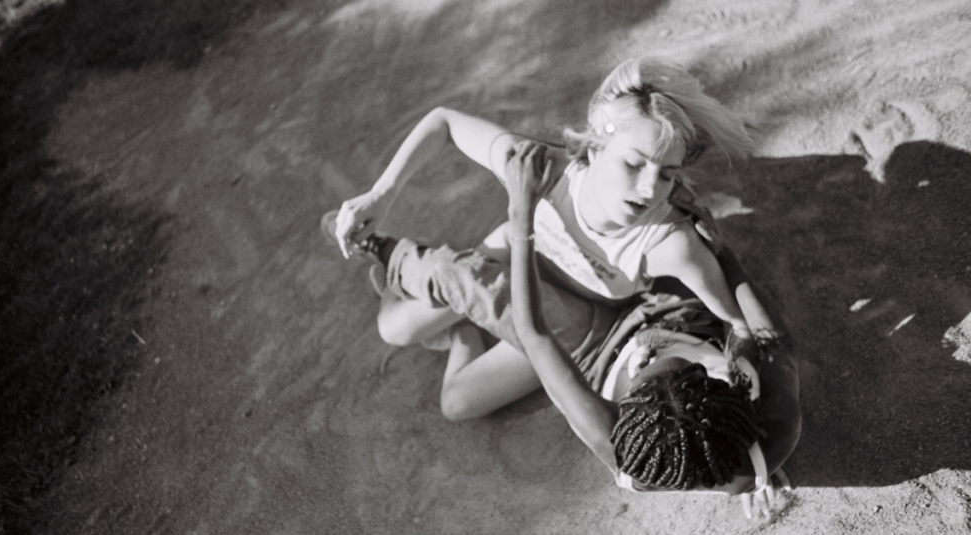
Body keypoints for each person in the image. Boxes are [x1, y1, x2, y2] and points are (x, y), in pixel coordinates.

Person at [330, 56, 773, 417]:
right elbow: (443, 122)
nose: (648, 189)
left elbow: (740, 325)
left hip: (565, 321)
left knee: (457, 403)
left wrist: (746, 422)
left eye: (666, 175)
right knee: (394, 329)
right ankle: (403, 264)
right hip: (512, 252)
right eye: (634, 163)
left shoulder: (669, 244)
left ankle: (460, 324)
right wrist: (381, 194)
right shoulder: (546, 170)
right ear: (596, 146)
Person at [500, 140, 800, 516]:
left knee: (470, 287)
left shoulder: (612, 440)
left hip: (598, 352)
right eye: (690, 369)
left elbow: (534, 332)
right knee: (687, 251)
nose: (652, 353)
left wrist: (520, 213)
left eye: (643, 372)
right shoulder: (774, 434)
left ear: (622, 413)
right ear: (728, 394)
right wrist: (721, 251)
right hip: (686, 319)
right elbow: (774, 342)